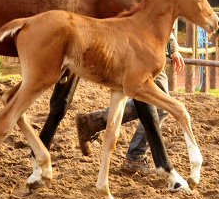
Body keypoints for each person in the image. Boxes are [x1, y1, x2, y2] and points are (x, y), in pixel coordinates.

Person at [75, 32, 185, 174]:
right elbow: (157, 16)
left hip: (147, 50)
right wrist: (172, 48)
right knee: (160, 106)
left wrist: (173, 48)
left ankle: (93, 122)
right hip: (148, 52)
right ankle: (135, 157)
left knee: (149, 102)